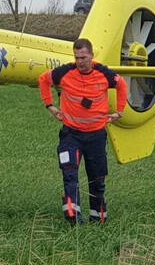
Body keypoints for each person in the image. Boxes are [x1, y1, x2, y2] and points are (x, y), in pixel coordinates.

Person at [38, 38, 128, 225]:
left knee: (97, 178)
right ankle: (73, 215)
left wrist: (119, 111)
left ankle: (98, 216)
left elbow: (122, 85)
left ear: (91, 56)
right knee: (69, 172)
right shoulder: (65, 72)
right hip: (71, 134)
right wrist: (50, 105)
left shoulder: (104, 73)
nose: (80, 61)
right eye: (77, 57)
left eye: (84, 57)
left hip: (96, 135)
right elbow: (43, 79)